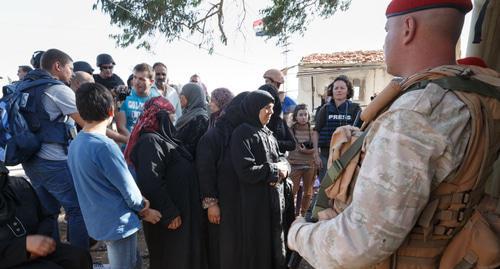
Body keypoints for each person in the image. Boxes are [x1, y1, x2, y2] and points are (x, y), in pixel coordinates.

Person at [288, 1, 500, 268]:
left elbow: (361, 241)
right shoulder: (471, 95)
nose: (385, 41)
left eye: (388, 30)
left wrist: (298, 234)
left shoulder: (414, 112)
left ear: (408, 28)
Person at [67, 83, 161, 269]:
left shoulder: (76, 143)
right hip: (118, 224)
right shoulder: (105, 146)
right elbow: (128, 188)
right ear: (111, 112)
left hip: (97, 219)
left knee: (133, 262)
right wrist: (144, 208)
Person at [21, 48, 90, 249]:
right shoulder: (57, 89)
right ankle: (79, 261)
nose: (72, 73)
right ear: (57, 66)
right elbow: (87, 123)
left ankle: (54, 258)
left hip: (31, 160)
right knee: (78, 210)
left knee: (48, 212)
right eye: (70, 68)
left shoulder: (25, 86)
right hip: (55, 161)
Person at [126, 97, 205, 269]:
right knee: (170, 258)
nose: (173, 120)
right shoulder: (150, 142)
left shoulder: (164, 139)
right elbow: (150, 182)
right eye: (171, 115)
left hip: (181, 212)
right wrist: (169, 213)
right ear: (161, 117)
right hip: (169, 217)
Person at [230, 90, 291, 269]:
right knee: (259, 248)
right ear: (254, 108)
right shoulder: (242, 134)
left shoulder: (268, 133)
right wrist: (274, 170)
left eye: (272, 108)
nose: (271, 112)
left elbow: (282, 158)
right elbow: (245, 170)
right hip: (256, 204)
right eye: (267, 108)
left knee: (276, 243)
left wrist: (284, 168)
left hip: (274, 201)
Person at [0, 165, 92, 269]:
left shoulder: (19, 185)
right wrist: (23, 247)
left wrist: (40, 240)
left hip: (37, 250)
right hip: (7, 258)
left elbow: (46, 217)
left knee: (78, 257)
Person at [196, 92, 248, 269]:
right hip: (219, 204)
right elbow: (205, 171)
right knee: (220, 245)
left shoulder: (240, 134)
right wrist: (211, 203)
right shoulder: (213, 136)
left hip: (236, 203)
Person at [314, 75, 362, 182]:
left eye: (342, 88)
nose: (339, 90)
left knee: (344, 188)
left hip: (347, 155)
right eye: (336, 88)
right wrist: (316, 155)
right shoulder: (325, 109)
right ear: (332, 91)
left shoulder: (355, 109)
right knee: (327, 186)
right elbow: (316, 131)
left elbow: (361, 131)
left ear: (348, 91)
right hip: (326, 155)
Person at [287, 104, 320, 217]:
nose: (303, 117)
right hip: (295, 164)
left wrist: (308, 151)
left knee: (308, 192)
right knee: (292, 192)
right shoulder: (290, 130)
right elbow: (296, 147)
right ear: (295, 117)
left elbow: (316, 148)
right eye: (300, 115)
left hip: (309, 164)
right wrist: (308, 151)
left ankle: (303, 214)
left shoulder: (313, 130)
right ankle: (290, 215)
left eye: (305, 114)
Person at [117, 63, 161, 137]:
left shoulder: (157, 100)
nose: (137, 82)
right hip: (128, 143)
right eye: (135, 77)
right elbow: (121, 127)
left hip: (149, 143)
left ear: (151, 82)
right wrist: (133, 141)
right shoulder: (125, 96)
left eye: (141, 79)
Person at [176, 83, 209, 157]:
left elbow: (192, 147)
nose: (180, 96)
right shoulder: (186, 113)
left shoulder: (200, 118)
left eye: (183, 93)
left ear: (191, 95)